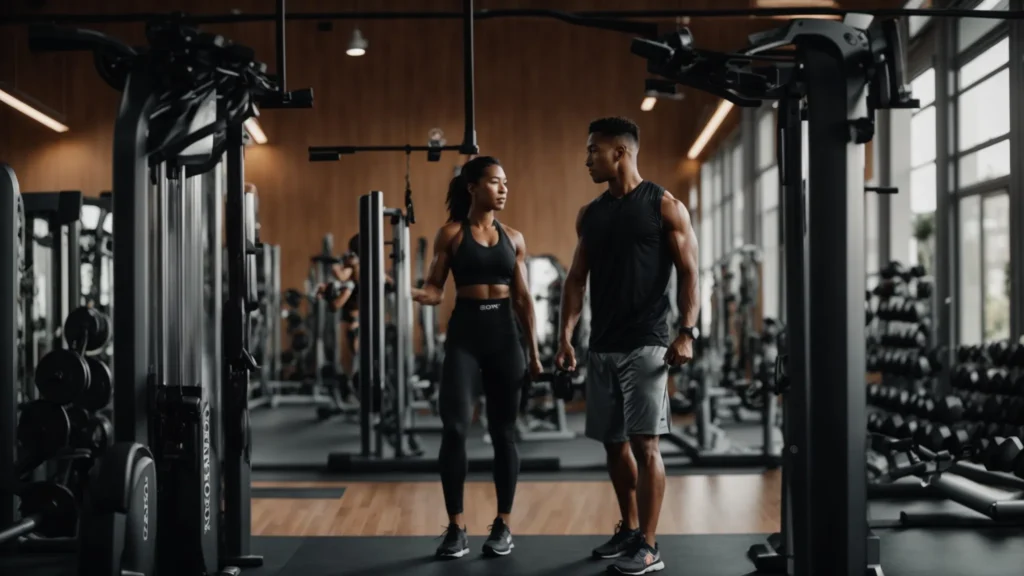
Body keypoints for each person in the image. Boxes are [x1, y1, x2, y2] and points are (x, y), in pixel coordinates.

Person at [557, 117, 700, 575]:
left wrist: (687, 331)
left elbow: (691, 272)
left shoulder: (664, 205)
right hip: (602, 345)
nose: (586, 160)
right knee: (614, 445)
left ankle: (651, 546)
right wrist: (565, 336)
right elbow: (576, 280)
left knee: (645, 444)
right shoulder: (591, 214)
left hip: (648, 343)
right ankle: (630, 529)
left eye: (592, 151)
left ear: (619, 151)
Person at [412, 155, 543, 559]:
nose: (503, 189)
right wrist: (406, 291)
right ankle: (455, 527)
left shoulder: (514, 238)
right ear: (472, 187)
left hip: (505, 340)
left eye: (505, 183)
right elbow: (435, 290)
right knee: (453, 428)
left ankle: (503, 524)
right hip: (465, 338)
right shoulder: (450, 235)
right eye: (494, 182)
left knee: (504, 433)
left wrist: (535, 354)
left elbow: (522, 299)